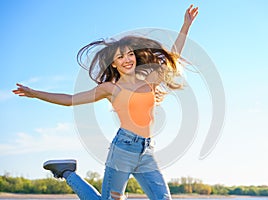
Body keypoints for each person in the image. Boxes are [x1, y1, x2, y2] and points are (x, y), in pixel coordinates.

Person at [12, 4, 198, 200]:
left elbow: (172, 57)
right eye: (120, 56)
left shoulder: (150, 80)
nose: (127, 59)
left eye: (130, 54)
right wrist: (35, 93)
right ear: (114, 64)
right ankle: (67, 173)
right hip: (123, 149)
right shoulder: (110, 88)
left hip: (146, 150)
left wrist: (186, 25)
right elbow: (70, 100)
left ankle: (66, 171)